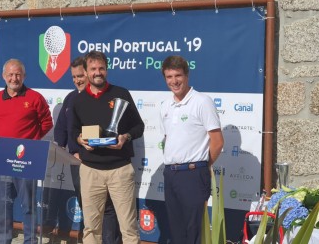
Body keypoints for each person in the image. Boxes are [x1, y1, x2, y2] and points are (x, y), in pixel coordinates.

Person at [72, 51, 144, 244]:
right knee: (91, 229)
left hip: (119, 170)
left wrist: (126, 137)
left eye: (101, 68)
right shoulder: (77, 100)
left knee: (128, 229)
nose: (98, 72)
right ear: (86, 72)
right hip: (90, 171)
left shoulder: (121, 93)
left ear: (106, 69)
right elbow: (73, 132)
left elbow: (139, 126)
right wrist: (80, 140)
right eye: (93, 69)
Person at [54, 56, 121, 244]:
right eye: (74, 77)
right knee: (86, 206)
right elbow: (61, 129)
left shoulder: (104, 97)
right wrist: (62, 150)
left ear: (90, 73)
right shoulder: (70, 98)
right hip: (77, 164)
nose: (77, 80)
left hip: (100, 163)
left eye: (80, 76)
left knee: (106, 208)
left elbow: (103, 131)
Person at [0, 58, 53, 244]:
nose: (14, 78)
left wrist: (31, 141)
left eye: (18, 74)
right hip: (1, 157)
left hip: (27, 158)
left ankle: (30, 241)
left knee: (29, 205)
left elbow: (47, 123)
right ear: (3, 76)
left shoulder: (34, 98)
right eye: (10, 74)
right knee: (2, 204)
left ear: (24, 76)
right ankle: (3, 240)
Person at [159, 55, 224, 244]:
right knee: (177, 233)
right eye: (169, 77)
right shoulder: (164, 105)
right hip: (170, 174)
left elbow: (218, 142)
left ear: (187, 75)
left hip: (194, 174)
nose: (174, 81)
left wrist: (202, 166)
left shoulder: (202, 101)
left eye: (177, 75)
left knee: (194, 233)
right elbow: (168, 139)